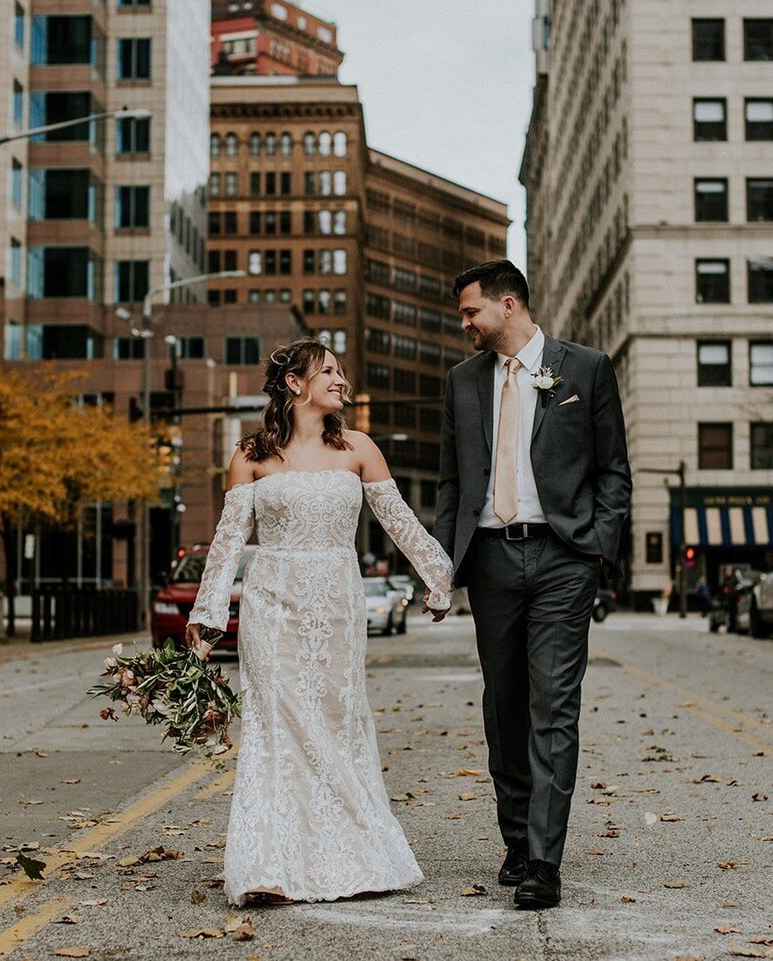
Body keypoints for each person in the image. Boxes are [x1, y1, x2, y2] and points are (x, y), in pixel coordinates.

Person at [185, 339, 454, 907]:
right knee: (277, 728)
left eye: (340, 370)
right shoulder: (251, 455)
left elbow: (400, 522)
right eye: (328, 371)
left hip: (335, 603)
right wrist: (208, 616)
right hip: (272, 605)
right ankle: (268, 866)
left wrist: (437, 575)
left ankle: (353, 856)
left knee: (335, 724)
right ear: (294, 384)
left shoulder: (358, 448)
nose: (340, 379)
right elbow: (228, 543)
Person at [434, 259, 631, 910]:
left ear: (508, 304)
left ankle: (543, 861)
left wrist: (597, 549)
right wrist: (445, 563)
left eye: (471, 311)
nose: (464, 322)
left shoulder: (587, 368)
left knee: (554, 705)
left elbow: (613, 473)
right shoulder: (462, 382)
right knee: (506, 706)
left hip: (562, 559)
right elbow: (450, 484)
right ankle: (515, 838)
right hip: (490, 559)